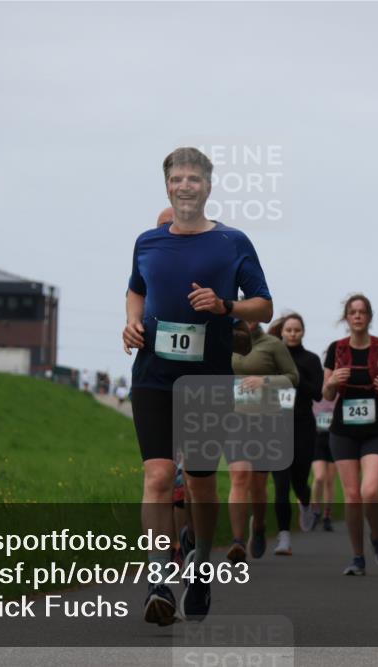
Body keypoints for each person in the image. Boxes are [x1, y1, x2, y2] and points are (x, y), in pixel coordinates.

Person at [124, 147, 273, 624]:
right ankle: (158, 580)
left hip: (207, 379)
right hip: (153, 375)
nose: (184, 186)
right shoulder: (147, 242)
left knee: (201, 483)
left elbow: (264, 305)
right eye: (177, 178)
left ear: (208, 186)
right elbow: (136, 289)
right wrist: (132, 323)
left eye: (193, 178)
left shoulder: (232, 242)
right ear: (167, 185)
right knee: (158, 476)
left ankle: (201, 567)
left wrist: (226, 306)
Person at [323, 294, 378, 575]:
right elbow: (326, 393)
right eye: (352, 312)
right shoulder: (336, 349)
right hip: (343, 430)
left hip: (376, 429)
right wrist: (332, 381)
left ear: (369, 316)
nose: (357, 316)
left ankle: (377, 537)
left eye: (362, 312)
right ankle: (357, 557)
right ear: (346, 317)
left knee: (370, 491)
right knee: (353, 495)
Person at [229, 321, 299, 562]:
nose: (248, 319)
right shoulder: (224, 339)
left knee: (258, 485)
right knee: (239, 476)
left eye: (253, 314)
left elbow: (293, 378)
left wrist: (265, 381)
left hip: (266, 421)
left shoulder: (273, 344)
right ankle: (237, 542)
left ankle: (258, 525)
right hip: (235, 419)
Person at [267, 313, 323, 554]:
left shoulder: (311, 359)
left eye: (296, 330)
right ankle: (284, 538)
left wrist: (295, 377)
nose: (292, 334)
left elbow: (318, 394)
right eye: (288, 330)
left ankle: (306, 503)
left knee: (299, 481)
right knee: (281, 485)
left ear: (303, 332)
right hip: (276, 426)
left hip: (302, 426)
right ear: (281, 332)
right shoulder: (272, 358)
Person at [311, 395, 338, 531]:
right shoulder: (314, 389)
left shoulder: (338, 390)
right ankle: (315, 510)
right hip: (316, 436)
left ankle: (327, 516)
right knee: (319, 477)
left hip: (334, 437)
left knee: (330, 481)